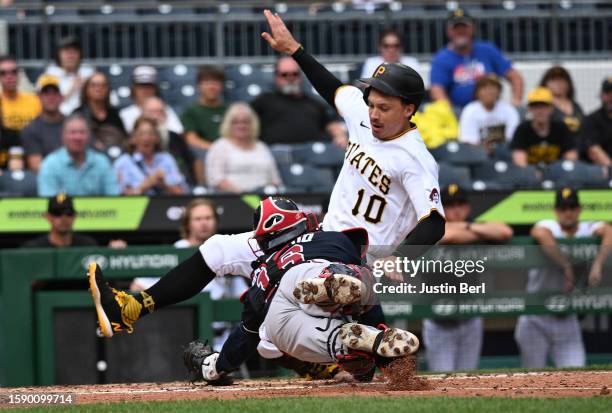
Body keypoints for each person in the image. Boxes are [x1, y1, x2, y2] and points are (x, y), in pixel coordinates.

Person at [89, 197, 414, 384]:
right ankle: (344, 324)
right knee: (357, 283)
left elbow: (247, 330)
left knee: (269, 339)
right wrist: (381, 332)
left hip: (282, 299)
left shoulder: (266, 266)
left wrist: (216, 366)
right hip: (333, 273)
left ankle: (337, 349)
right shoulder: (334, 237)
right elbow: (369, 290)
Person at [130, 198, 247, 351]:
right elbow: (137, 286)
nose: (204, 223)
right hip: (183, 333)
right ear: (188, 223)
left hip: (223, 336)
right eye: (198, 219)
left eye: (208, 218)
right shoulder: (177, 250)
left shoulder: (225, 251)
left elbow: (242, 294)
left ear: (216, 221)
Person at [515, 188, 612, 368]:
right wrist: (566, 265)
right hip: (537, 316)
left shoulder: (586, 228)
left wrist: (598, 264)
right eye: (563, 208)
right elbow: (540, 233)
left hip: (567, 318)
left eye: (572, 207)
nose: (568, 212)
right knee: (533, 379)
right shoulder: (549, 226)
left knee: (577, 375)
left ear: (579, 209)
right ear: (556, 211)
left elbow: (608, 230)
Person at [423, 184, 513, 372]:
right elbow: (447, 235)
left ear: (468, 208)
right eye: (450, 205)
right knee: (442, 378)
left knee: (468, 377)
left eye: (460, 204)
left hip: (470, 316)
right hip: (439, 318)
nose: (456, 210)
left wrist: (470, 226)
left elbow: (505, 231)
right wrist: (474, 230)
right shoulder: (431, 225)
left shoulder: (474, 225)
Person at [430, 8, 523, 109]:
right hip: (460, 112)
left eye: (464, 27)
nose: (461, 31)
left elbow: (515, 77)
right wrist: (451, 114)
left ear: (472, 28)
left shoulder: (487, 50)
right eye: (456, 28)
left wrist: (515, 103)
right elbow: (437, 90)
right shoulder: (441, 58)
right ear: (448, 31)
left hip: (492, 110)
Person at [250, 56, 348, 147]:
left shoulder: (314, 103)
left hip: (310, 158)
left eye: (295, 74)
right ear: (276, 77)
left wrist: (339, 136)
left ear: (300, 76)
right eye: (284, 75)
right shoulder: (264, 101)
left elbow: (330, 124)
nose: (290, 78)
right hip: (274, 157)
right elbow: (245, 119)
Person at [206, 102, 282, 193]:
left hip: (264, 200)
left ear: (253, 124)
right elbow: (217, 180)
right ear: (228, 124)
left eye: (246, 122)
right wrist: (245, 196)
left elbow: (275, 179)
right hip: (233, 199)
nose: (241, 126)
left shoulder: (262, 147)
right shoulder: (220, 146)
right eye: (235, 122)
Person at [37, 114, 120, 196]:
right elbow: (48, 201)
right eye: (72, 133)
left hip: (98, 210)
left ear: (89, 135)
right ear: (63, 135)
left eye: (82, 132)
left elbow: (113, 196)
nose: (77, 137)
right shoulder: (50, 165)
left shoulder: (101, 162)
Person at [113, 117, 187, 195]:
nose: (146, 138)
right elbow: (119, 198)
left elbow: (181, 193)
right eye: (141, 134)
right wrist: (144, 186)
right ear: (133, 139)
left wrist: (163, 184)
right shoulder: (123, 162)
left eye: (151, 133)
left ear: (157, 138)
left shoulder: (166, 159)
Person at [22, 193, 126, 248]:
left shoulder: (88, 245)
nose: (64, 218)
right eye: (57, 213)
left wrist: (112, 253)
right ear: (48, 216)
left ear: (75, 216)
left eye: (68, 213)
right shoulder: (34, 248)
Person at [510, 87, 577, 167]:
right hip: (531, 176)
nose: (540, 110)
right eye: (535, 106)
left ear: (551, 108)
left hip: (558, 175)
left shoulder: (561, 128)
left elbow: (571, 157)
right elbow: (519, 161)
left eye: (544, 106)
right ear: (529, 109)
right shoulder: (522, 129)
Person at [142, 97, 198, 185]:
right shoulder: (134, 139)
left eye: (160, 112)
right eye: (152, 112)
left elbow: (188, 164)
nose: (156, 116)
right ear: (143, 114)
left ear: (165, 115)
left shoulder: (175, 138)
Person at [459, 74, 520, 151]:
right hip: (477, 154)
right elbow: (468, 141)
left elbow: (513, 138)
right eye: (484, 88)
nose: (489, 92)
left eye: (492, 88)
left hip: (505, 152)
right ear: (477, 92)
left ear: (499, 91)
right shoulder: (469, 110)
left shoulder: (509, 110)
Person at [74, 71, 127, 156]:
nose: (98, 89)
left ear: (108, 89)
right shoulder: (78, 115)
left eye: (103, 85)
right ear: (86, 89)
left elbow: (124, 140)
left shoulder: (114, 115)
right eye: (94, 85)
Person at [119, 66, 183, 134]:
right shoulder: (125, 114)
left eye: (149, 86)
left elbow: (178, 132)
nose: (145, 91)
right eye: (141, 87)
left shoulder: (165, 110)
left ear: (155, 89)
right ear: (133, 89)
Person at [21, 75, 65, 171]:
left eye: (54, 93)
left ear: (62, 97)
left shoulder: (73, 125)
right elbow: (36, 167)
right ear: (39, 97)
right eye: (46, 94)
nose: (51, 97)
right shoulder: (31, 129)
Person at [181, 66, 227, 154]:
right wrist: (216, 150)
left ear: (222, 85)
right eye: (207, 83)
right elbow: (191, 139)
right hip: (203, 155)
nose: (212, 87)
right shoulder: (191, 111)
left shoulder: (231, 110)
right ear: (198, 86)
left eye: (216, 82)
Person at [44, 37, 95, 116]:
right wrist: (72, 89)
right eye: (66, 52)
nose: (71, 55)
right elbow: (46, 104)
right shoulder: (49, 75)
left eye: (74, 51)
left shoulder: (89, 73)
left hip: (86, 118)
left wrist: (86, 89)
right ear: (58, 55)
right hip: (58, 118)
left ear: (80, 54)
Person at [539, 66, 584, 139]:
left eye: (561, 80)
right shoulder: (541, 106)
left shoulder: (576, 106)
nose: (558, 83)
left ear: (568, 84)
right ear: (545, 84)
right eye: (553, 80)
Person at [0, 55, 41, 130]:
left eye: (14, 72)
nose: (9, 76)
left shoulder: (35, 101)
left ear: (19, 75)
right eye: (3, 73)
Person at [582, 77, 612, 167]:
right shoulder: (591, 119)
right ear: (601, 94)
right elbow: (592, 149)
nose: (611, 97)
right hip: (600, 171)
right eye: (608, 93)